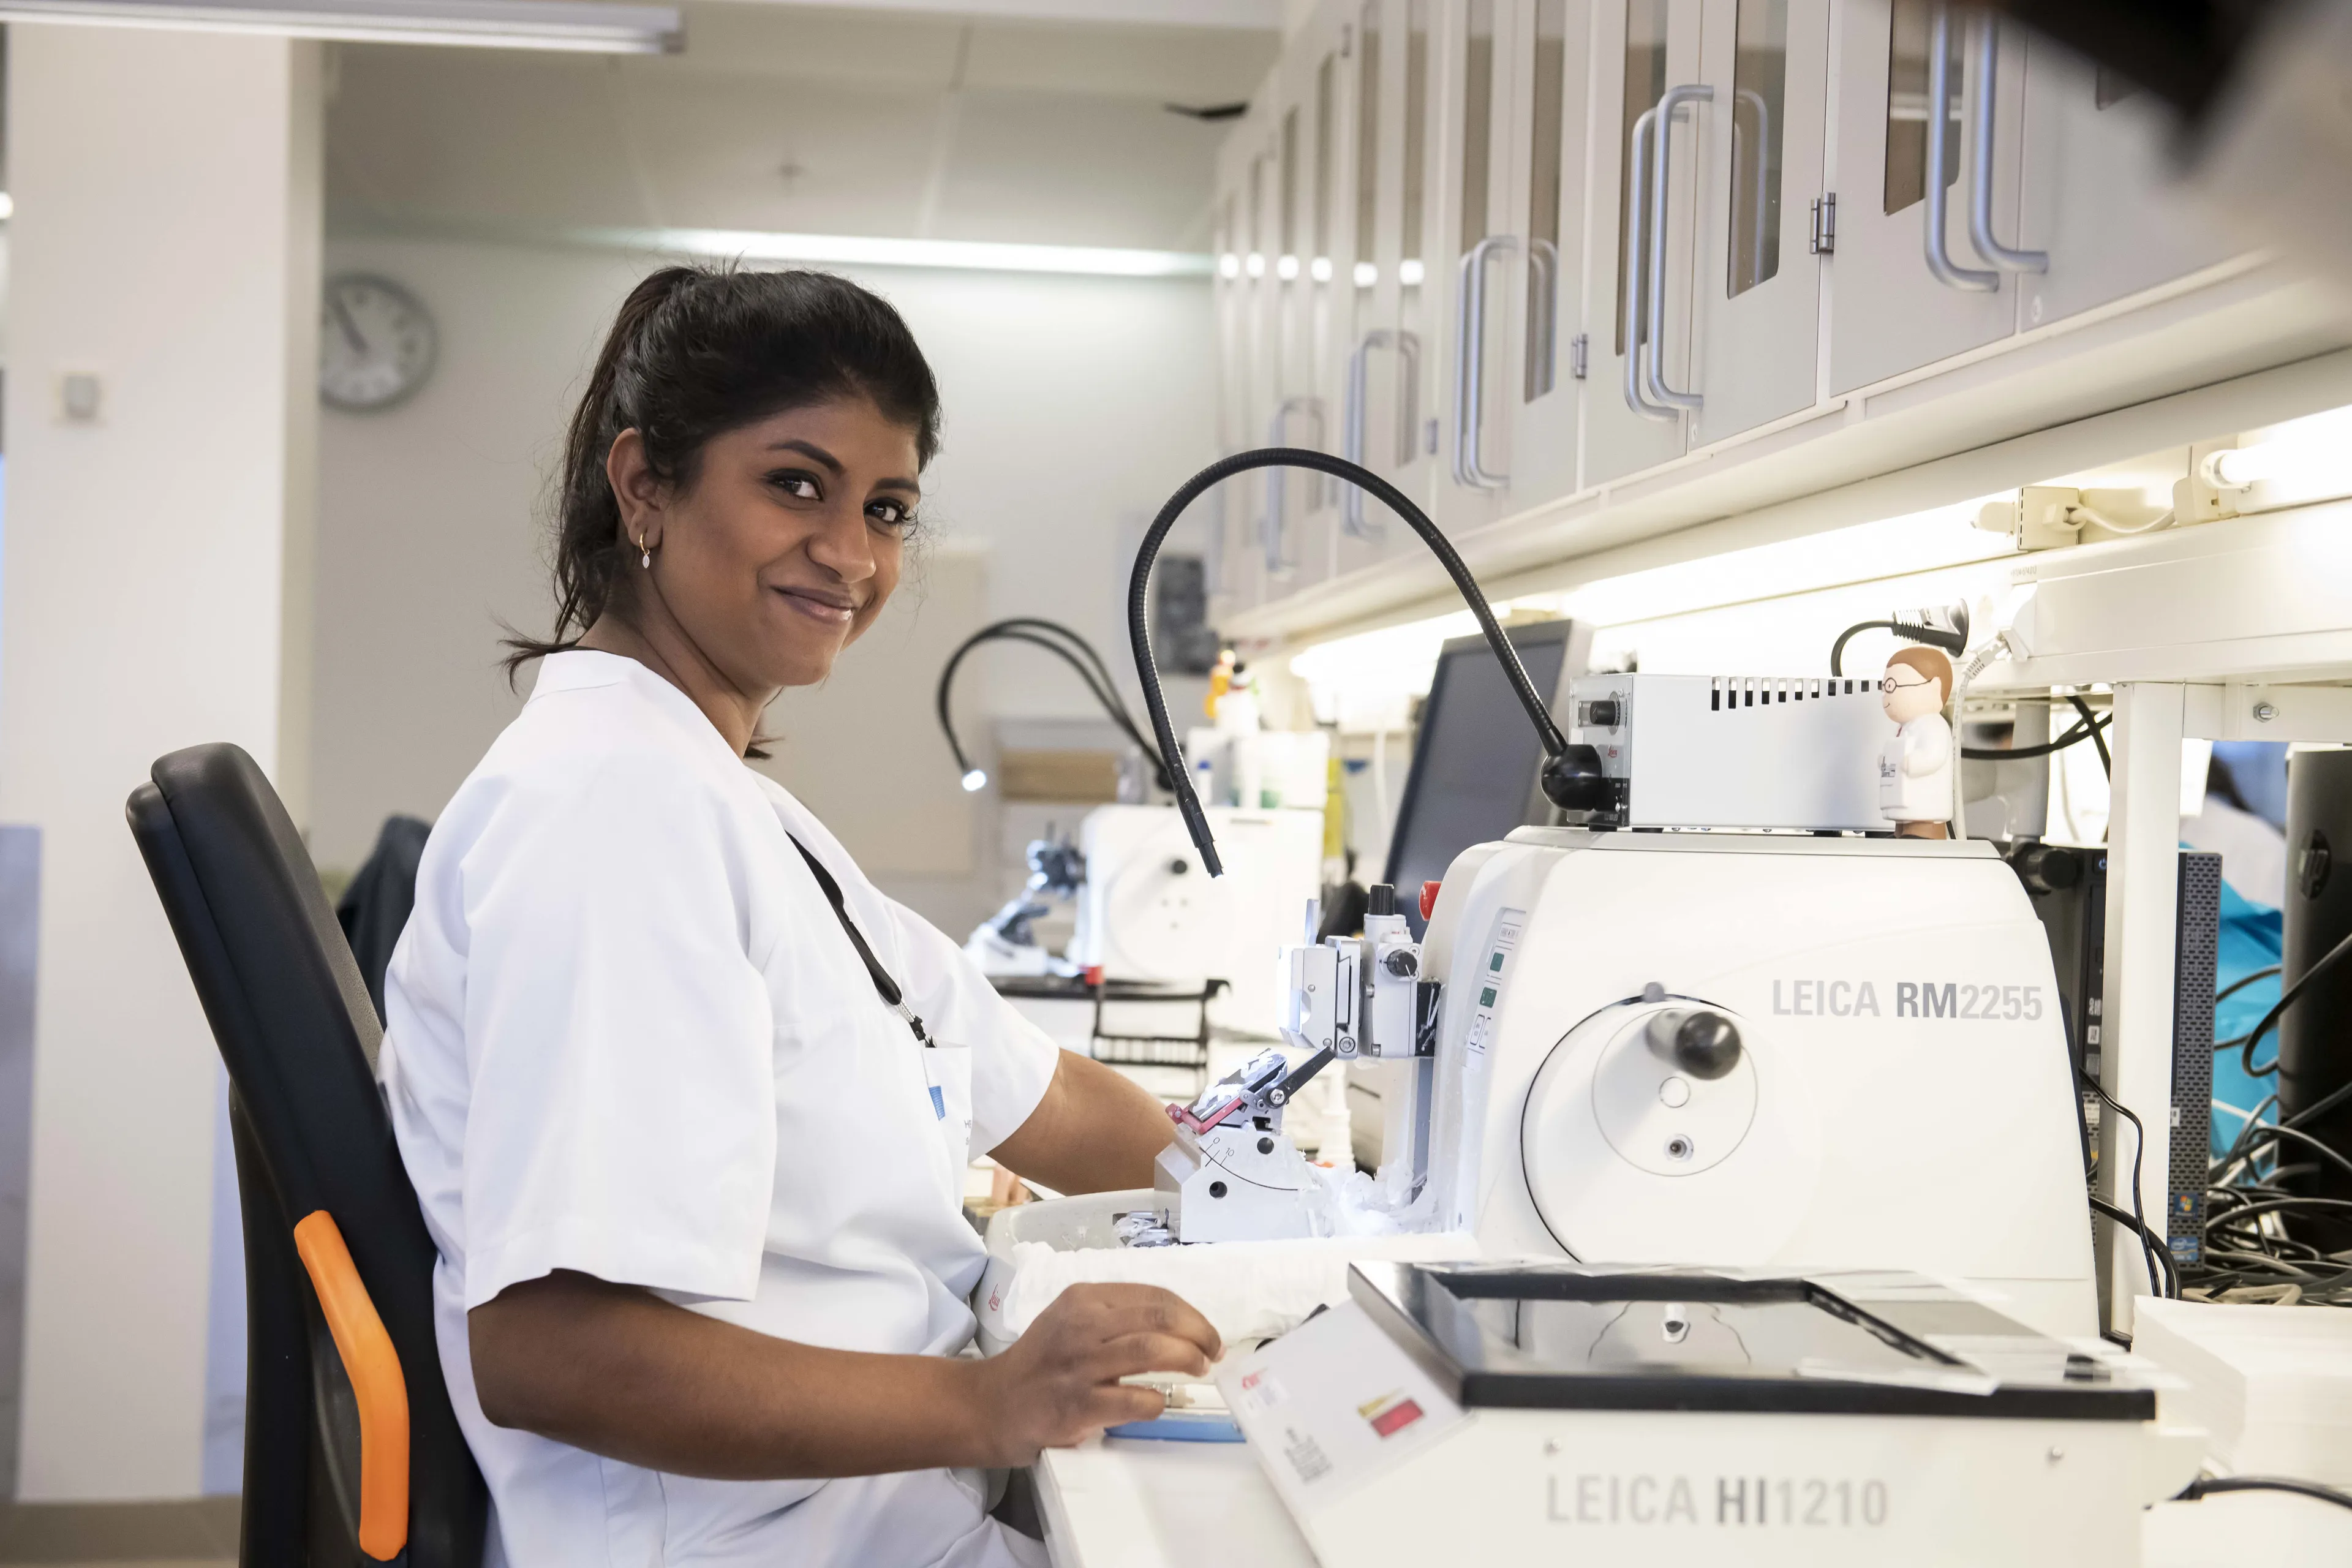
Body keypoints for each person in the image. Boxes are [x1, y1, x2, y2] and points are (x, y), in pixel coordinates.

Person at [377, 266, 1219, 1568]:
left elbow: (1036, 1089)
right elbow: (549, 1349)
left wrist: (1303, 1201)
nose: (855, 553)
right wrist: (990, 1401)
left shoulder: (725, 801)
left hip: (871, 1514)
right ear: (645, 483)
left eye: (888, 507)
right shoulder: (612, 809)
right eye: (796, 484)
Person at [1877, 646, 1955, 839]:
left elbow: (1934, 755)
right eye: (1885, 687)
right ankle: (1900, 834)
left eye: (1893, 687)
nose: (1887, 695)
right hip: (1899, 803)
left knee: (1918, 827)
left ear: (1934, 687)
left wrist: (1914, 762)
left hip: (1925, 810)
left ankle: (1921, 836)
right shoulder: (1904, 728)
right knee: (1902, 822)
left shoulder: (1934, 725)